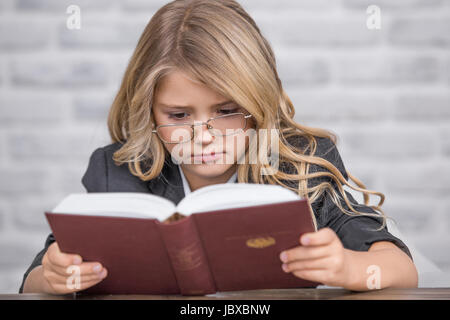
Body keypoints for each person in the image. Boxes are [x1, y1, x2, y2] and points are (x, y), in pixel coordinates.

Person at [20, 0, 417, 294]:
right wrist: (56, 277)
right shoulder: (116, 169)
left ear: (257, 102)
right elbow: (33, 281)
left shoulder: (304, 162)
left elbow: (400, 268)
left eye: (227, 111)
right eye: (178, 115)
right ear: (149, 110)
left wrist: (346, 266)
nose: (203, 135)